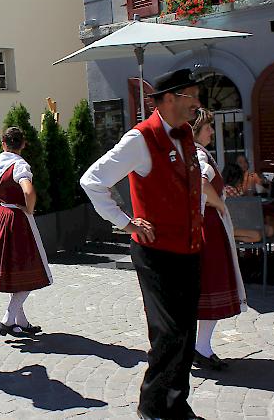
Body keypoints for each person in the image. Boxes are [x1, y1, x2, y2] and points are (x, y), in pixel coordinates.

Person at [80, 69, 204, 420]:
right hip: (157, 252)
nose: (197, 103)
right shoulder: (141, 138)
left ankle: (176, 402)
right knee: (169, 332)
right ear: (168, 99)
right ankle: (152, 407)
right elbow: (92, 180)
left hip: (190, 248)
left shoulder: (185, 134)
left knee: (186, 331)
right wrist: (125, 221)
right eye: (190, 95)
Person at [0, 127, 52, 336]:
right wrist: (29, 209)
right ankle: (8, 319)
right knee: (31, 267)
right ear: (23, 144)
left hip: (1, 218)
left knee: (16, 271)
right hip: (18, 219)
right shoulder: (20, 165)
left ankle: (21, 322)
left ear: (3, 143)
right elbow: (28, 190)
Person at [192, 108, 247, 371]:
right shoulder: (199, 154)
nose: (212, 131)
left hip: (207, 225)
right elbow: (200, 183)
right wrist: (219, 204)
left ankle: (200, 346)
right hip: (210, 227)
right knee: (213, 285)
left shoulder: (193, 153)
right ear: (196, 131)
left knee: (207, 288)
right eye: (208, 127)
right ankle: (200, 347)